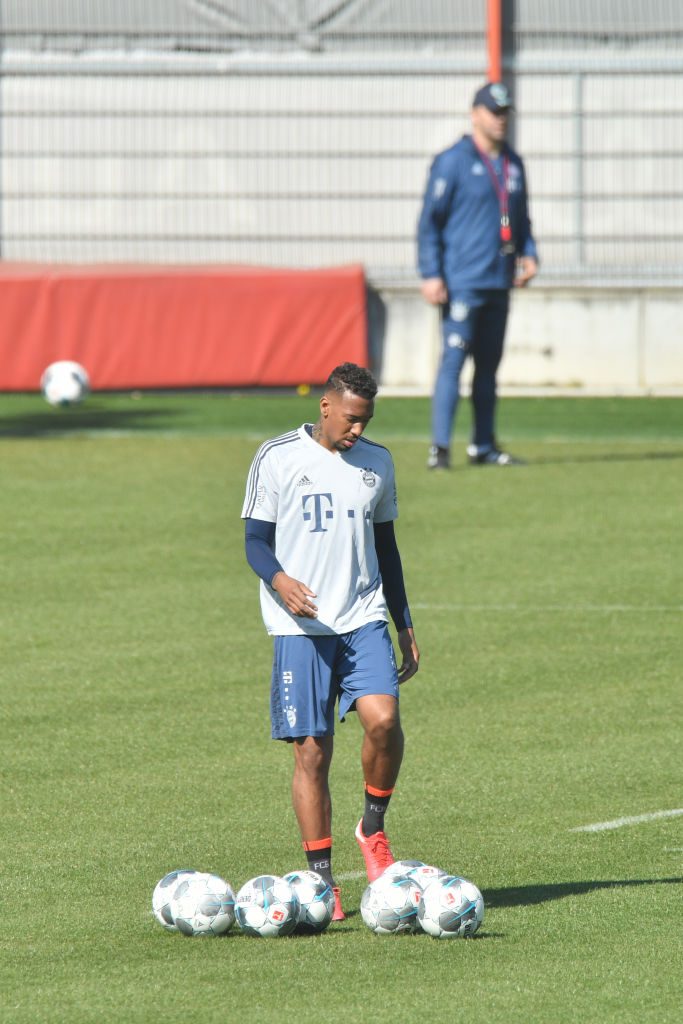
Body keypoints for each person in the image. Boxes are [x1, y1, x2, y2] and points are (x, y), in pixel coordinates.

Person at [241, 362, 419, 921]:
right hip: (300, 627)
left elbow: (386, 550)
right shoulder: (277, 457)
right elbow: (253, 541)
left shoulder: (378, 464)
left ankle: (372, 826)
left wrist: (405, 622)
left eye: (366, 422)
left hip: (362, 616)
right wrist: (280, 579)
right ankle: (322, 880)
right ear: (325, 406)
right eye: (350, 419)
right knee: (312, 755)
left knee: (384, 721)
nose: (357, 432)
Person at [417, 81, 539, 469]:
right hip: (462, 281)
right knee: (453, 361)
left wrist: (530, 254)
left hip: (498, 280)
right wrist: (431, 273)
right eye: (493, 112)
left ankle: (483, 446)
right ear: (475, 114)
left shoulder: (513, 163)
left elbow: (521, 221)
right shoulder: (453, 161)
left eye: (505, 113)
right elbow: (429, 223)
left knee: (489, 368)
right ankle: (440, 448)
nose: (500, 120)